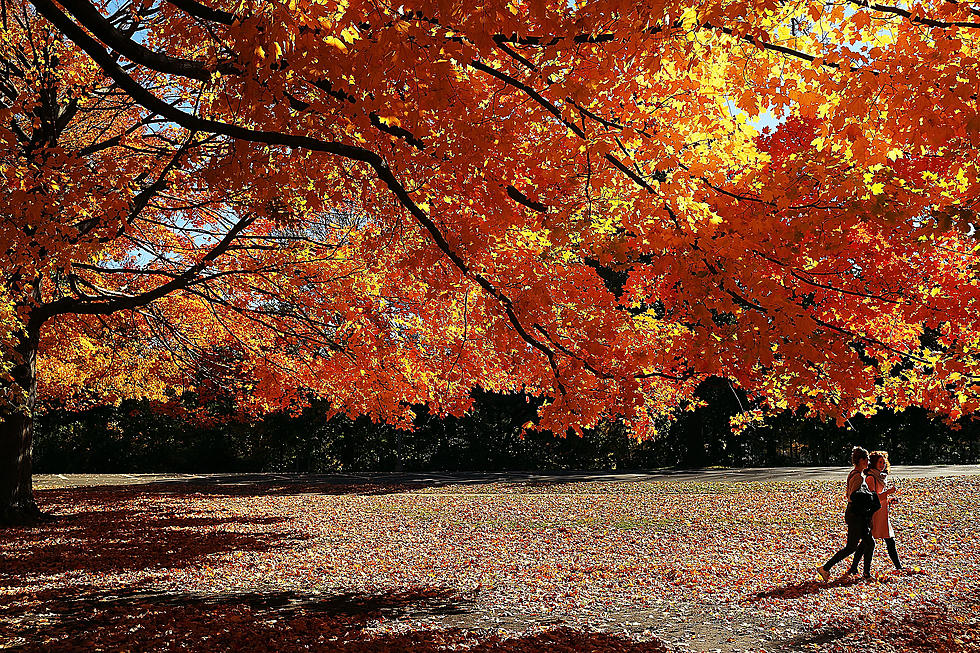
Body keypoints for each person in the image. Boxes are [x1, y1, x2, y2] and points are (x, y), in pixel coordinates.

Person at [816, 446, 876, 581]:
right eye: (866, 459)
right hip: (856, 515)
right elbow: (853, 496)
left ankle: (866, 573)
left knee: (869, 543)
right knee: (851, 547)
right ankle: (825, 568)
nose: (868, 462)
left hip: (856, 514)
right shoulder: (858, 477)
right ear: (861, 460)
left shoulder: (853, 474)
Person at [848, 450, 902, 573]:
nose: (882, 465)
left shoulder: (880, 477)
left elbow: (880, 498)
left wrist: (890, 499)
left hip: (883, 513)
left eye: (884, 462)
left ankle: (898, 567)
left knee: (889, 540)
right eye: (880, 462)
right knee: (867, 542)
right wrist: (888, 493)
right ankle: (855, 567)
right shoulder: (871, 478)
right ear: (873, 463)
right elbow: (873, 498)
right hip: (875, 514)